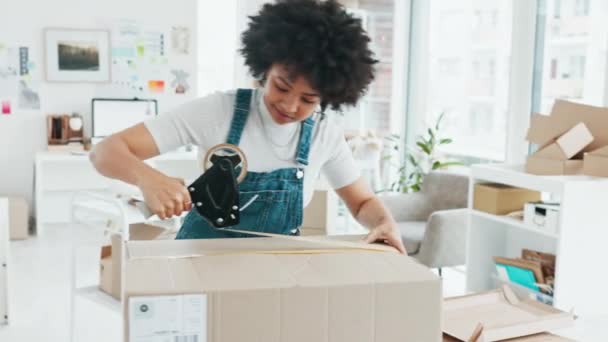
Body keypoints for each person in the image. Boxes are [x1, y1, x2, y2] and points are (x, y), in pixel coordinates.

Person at [90, 0, 406, 253]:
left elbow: (362, 201)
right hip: (199, 265)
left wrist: (383, 222)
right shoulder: (218, 111)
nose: (290, 106)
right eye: (281, 87)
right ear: (263, 68)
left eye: (308, 99)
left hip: (274, 275)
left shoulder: (324, 135)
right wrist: (148, 179)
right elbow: (104, 152)